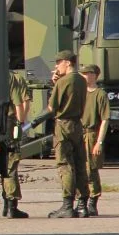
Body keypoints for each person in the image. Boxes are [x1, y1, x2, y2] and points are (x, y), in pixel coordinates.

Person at [46, 50, 90, 218]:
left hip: (63, 125)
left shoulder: (63, 82)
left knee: (65, 165)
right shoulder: (81, 80)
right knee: (80, 164)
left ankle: (67, 205)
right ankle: (83, 204)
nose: (56, 66)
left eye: (58, 63)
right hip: (77, 124)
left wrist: (54, 84)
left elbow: (52, 107)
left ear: (67, 62)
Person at [0, 68, 32, 218]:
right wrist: (20, 123)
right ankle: (10, 206)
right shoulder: (9, 77)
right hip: (8, 123)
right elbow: (18, 103)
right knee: (10, 164)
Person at [80, 64, 110, 217]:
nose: (84, 75)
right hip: (78, 133)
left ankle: (93, 201)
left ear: (95, 75)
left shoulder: (100, 94)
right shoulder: (79, 93)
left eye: (87, 73)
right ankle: (81, 201)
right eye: (83, 73)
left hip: (92, 134)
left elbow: (105, 119)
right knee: (78, 169)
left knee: (91, 169)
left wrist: (99, 141)